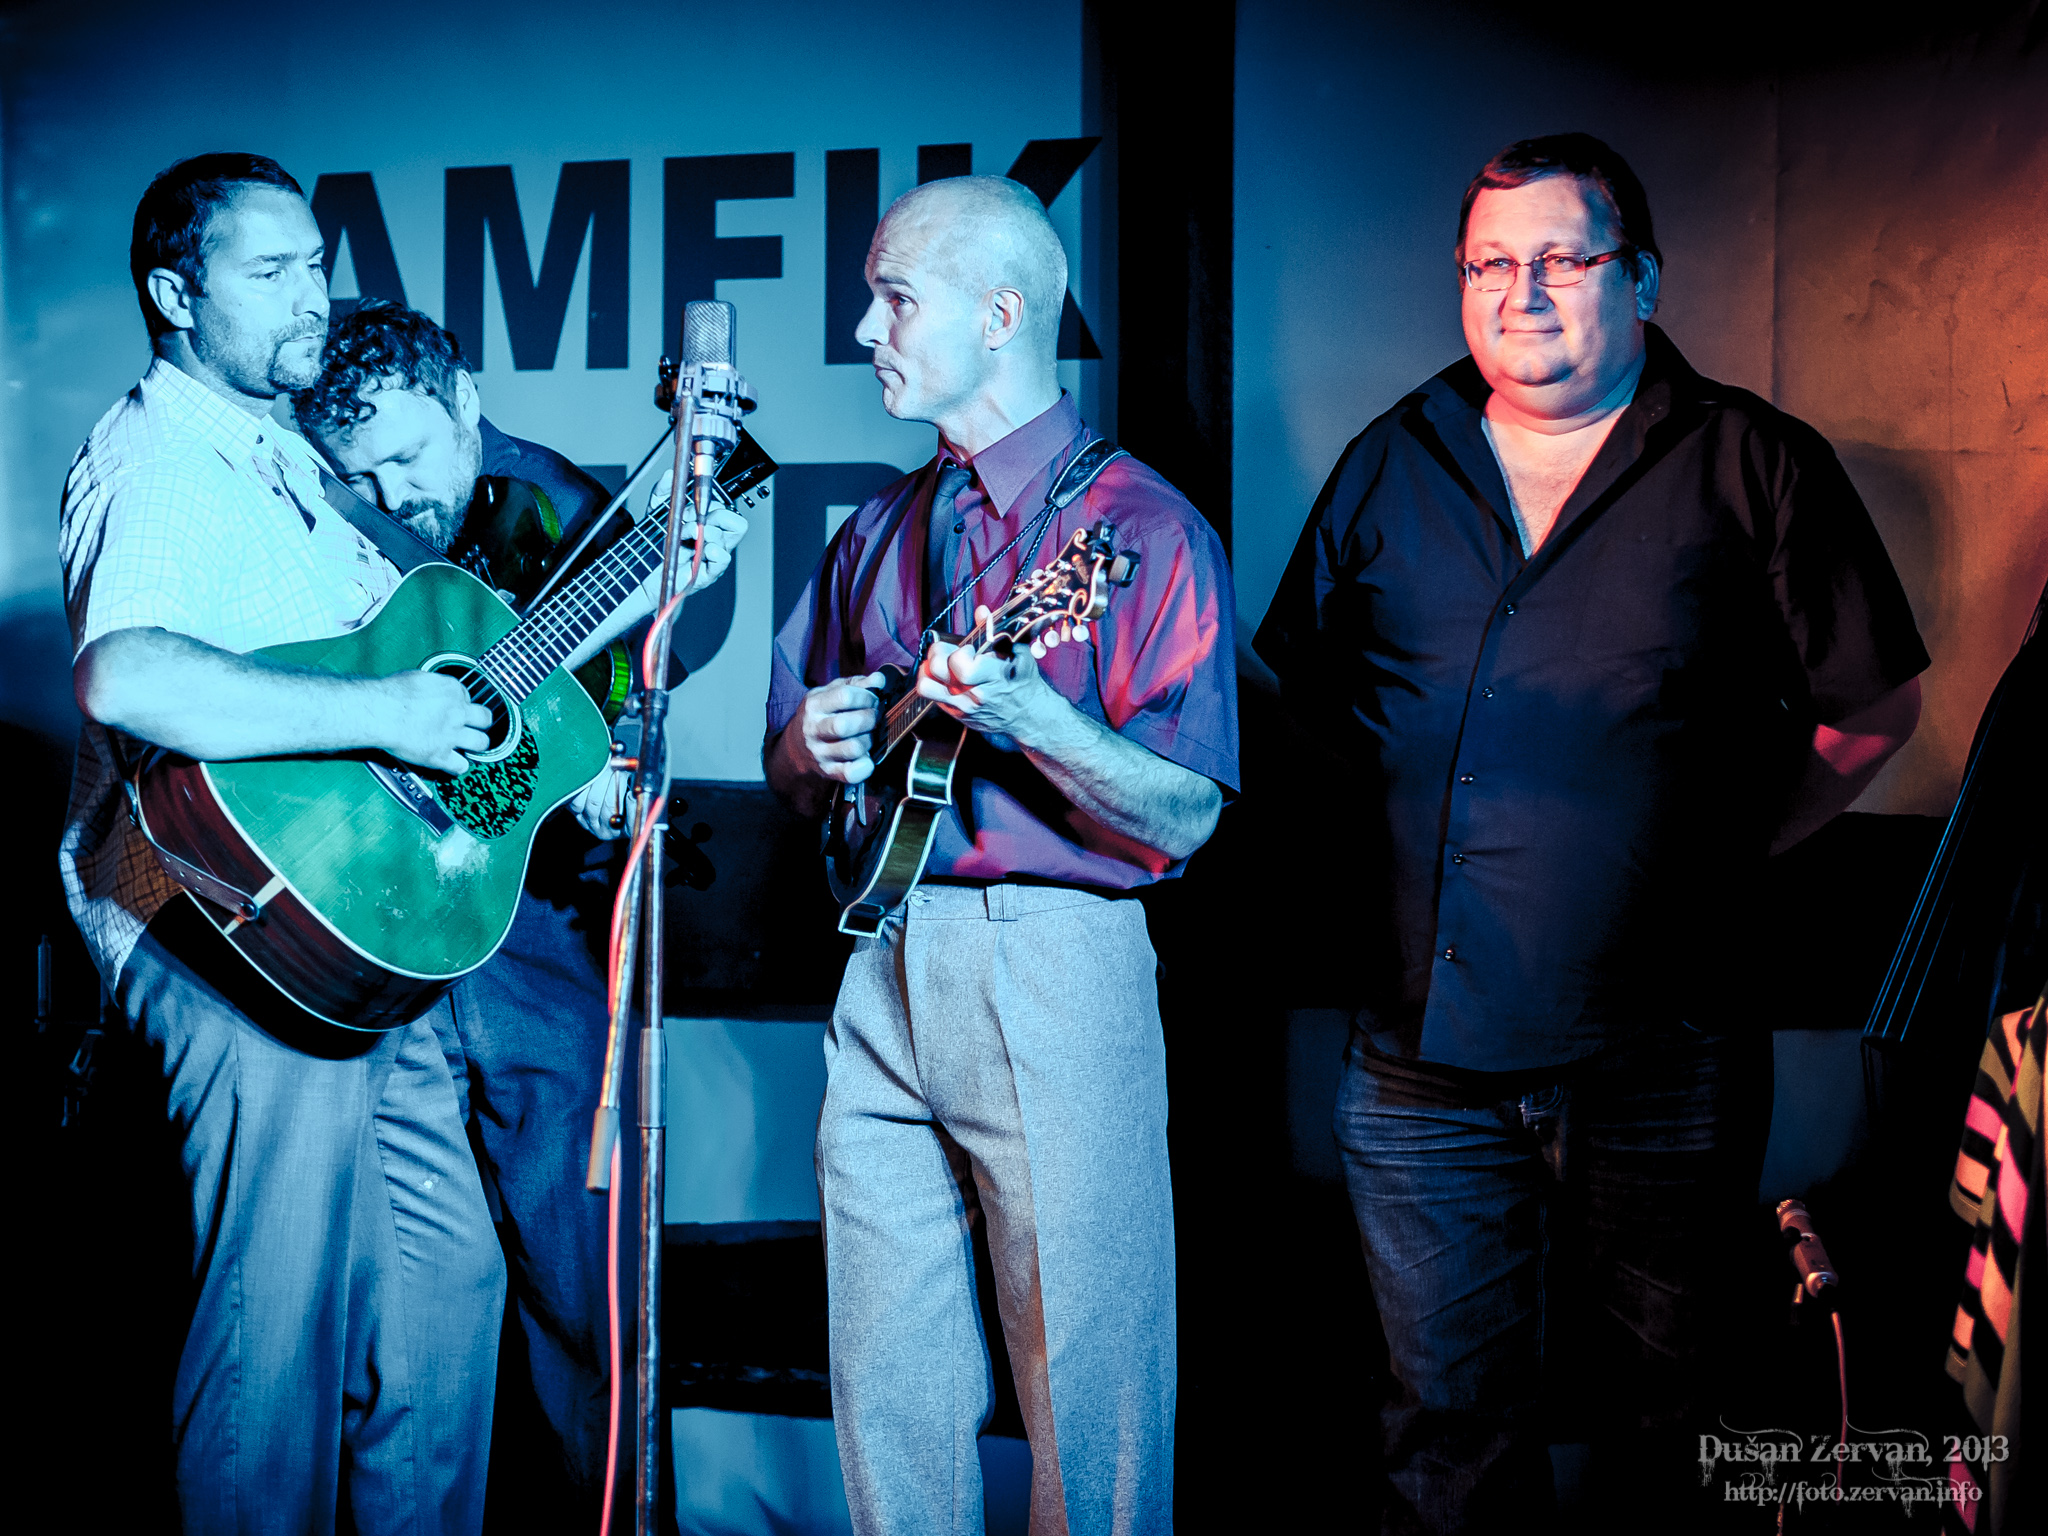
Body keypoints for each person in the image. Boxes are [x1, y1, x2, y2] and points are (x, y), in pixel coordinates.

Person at [1254, 133, 1930, 1532]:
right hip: (1419, 1060)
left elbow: (1872, 709)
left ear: (1643, 280)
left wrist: (1724, 853)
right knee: (1439, 1427)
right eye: (1489, 264)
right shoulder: (1393, 460)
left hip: (1661, 1052)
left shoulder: (1751, 463)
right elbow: (1306, 699)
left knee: (1670, 1419)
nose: (1522, 294)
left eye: (1562, 259)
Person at [765, 175, 1238, 1535]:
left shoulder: (1139, 530)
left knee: (1087, 1383)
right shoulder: (873, 530)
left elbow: (1188, 816)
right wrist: (811, 742)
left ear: (1000, 314)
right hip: (882, 952)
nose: (866, 328)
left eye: (893, 297)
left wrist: (1040, 719)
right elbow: (794, 777)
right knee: (886, 1376)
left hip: (1052, 957)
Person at [58, 154, 507, 1533]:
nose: (312, 296)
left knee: (444, 1298)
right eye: (269, 272)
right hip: (225, 932)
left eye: (315, 264)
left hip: (351, 936)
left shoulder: (294, 465)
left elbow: (433, 693)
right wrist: (388, 711)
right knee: (279, 1334)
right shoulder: (159, 460)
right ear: (174, 295)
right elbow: (124, 674)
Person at [292, 299, 745, 1528]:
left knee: (576, 1279)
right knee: (409, 1295)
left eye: (408, 456)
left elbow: (636, 682)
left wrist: (595, 751)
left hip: (537, 943)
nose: (393, 494)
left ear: (464, 403)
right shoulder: (333, 519)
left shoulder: (561, 509)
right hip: (381, 932)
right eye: (361, 474)